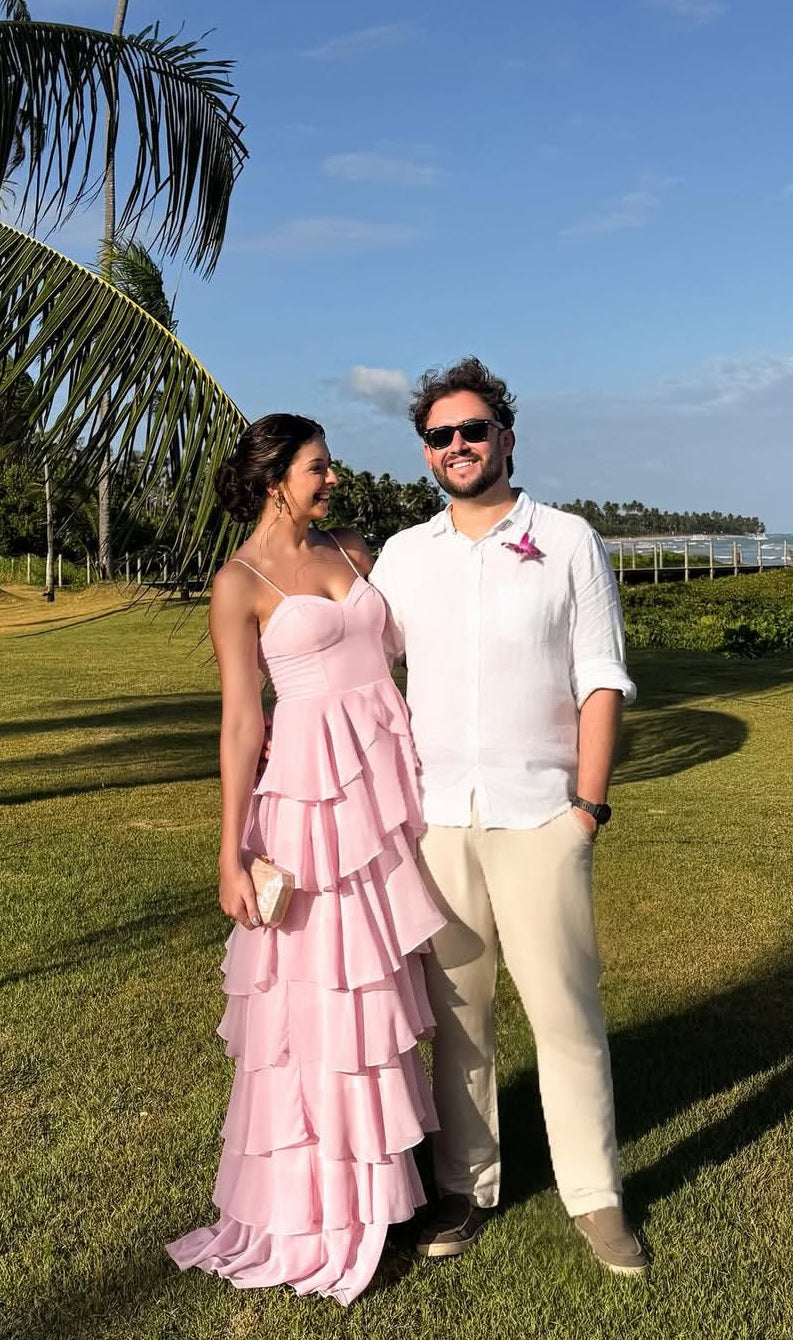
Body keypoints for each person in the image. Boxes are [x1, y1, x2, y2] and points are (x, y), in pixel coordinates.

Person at [368, 357, 650, 1274]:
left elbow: (601, 676)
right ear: (427, 452)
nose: (458, 445)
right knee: (459, 1017)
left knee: (566, 1012)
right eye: (440, 435)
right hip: (435, 820)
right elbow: (363, 669)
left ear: (506, 439)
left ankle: (595, 1195)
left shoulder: (567, 540)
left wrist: (586, 810)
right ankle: (464, 1183)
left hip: (542, 818)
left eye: (473, 430)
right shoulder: (405, 555)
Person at [166, 413, 445, 1305]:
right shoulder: (238, 582)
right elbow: (240, 723)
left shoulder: (354, 548)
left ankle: (383, 1184)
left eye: (331, 465)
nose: (333, 479)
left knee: (379, 988)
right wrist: (229, 853)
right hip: (309, 807)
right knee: (319, 998)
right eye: (318, 467)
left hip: (385, 788)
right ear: (274, 477)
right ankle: (315, 1209)